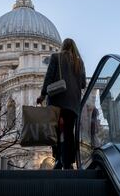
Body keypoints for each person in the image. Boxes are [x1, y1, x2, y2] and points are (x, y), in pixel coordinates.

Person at [37, 38, 86, 169]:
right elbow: (83, 84)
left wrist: (42, 95)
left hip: (56, 101)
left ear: (62, 46)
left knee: (55, 132)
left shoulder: (56, 57)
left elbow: (48, 77)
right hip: (72, 104)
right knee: (69, 132)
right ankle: (68, 162)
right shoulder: (79, 62)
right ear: (73, 47)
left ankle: (58, 159)